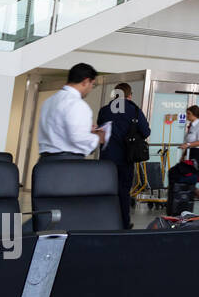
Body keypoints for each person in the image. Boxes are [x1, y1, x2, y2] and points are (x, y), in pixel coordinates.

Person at [96, 82, 151, 229]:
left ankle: (104, 222)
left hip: (106, 158)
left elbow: (100, 130)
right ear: (129, 95)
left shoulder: (104, 110)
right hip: (126, 157)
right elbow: (146, 132)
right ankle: (124, 223)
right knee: (123, 191)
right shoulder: (134, 110)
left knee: (106, 191)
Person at [38, 63, 105, 158]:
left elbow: (59, 130)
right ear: (85, 81)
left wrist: (86, 130)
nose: (90, 89)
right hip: (67, 163)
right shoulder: (77, 104)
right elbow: (78, 138)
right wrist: (98, 137)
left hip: (45, 162)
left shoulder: (49, 101)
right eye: (92, 84)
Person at [178, 105, 199, 176]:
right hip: (189, 152)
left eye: (189, 114)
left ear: (195, 114)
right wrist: (183, 156)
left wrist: (187, 145)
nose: (187, 116)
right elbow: (187, 142)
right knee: (186, 175)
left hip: (197, 153)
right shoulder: (190, 126)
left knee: (192, 176)